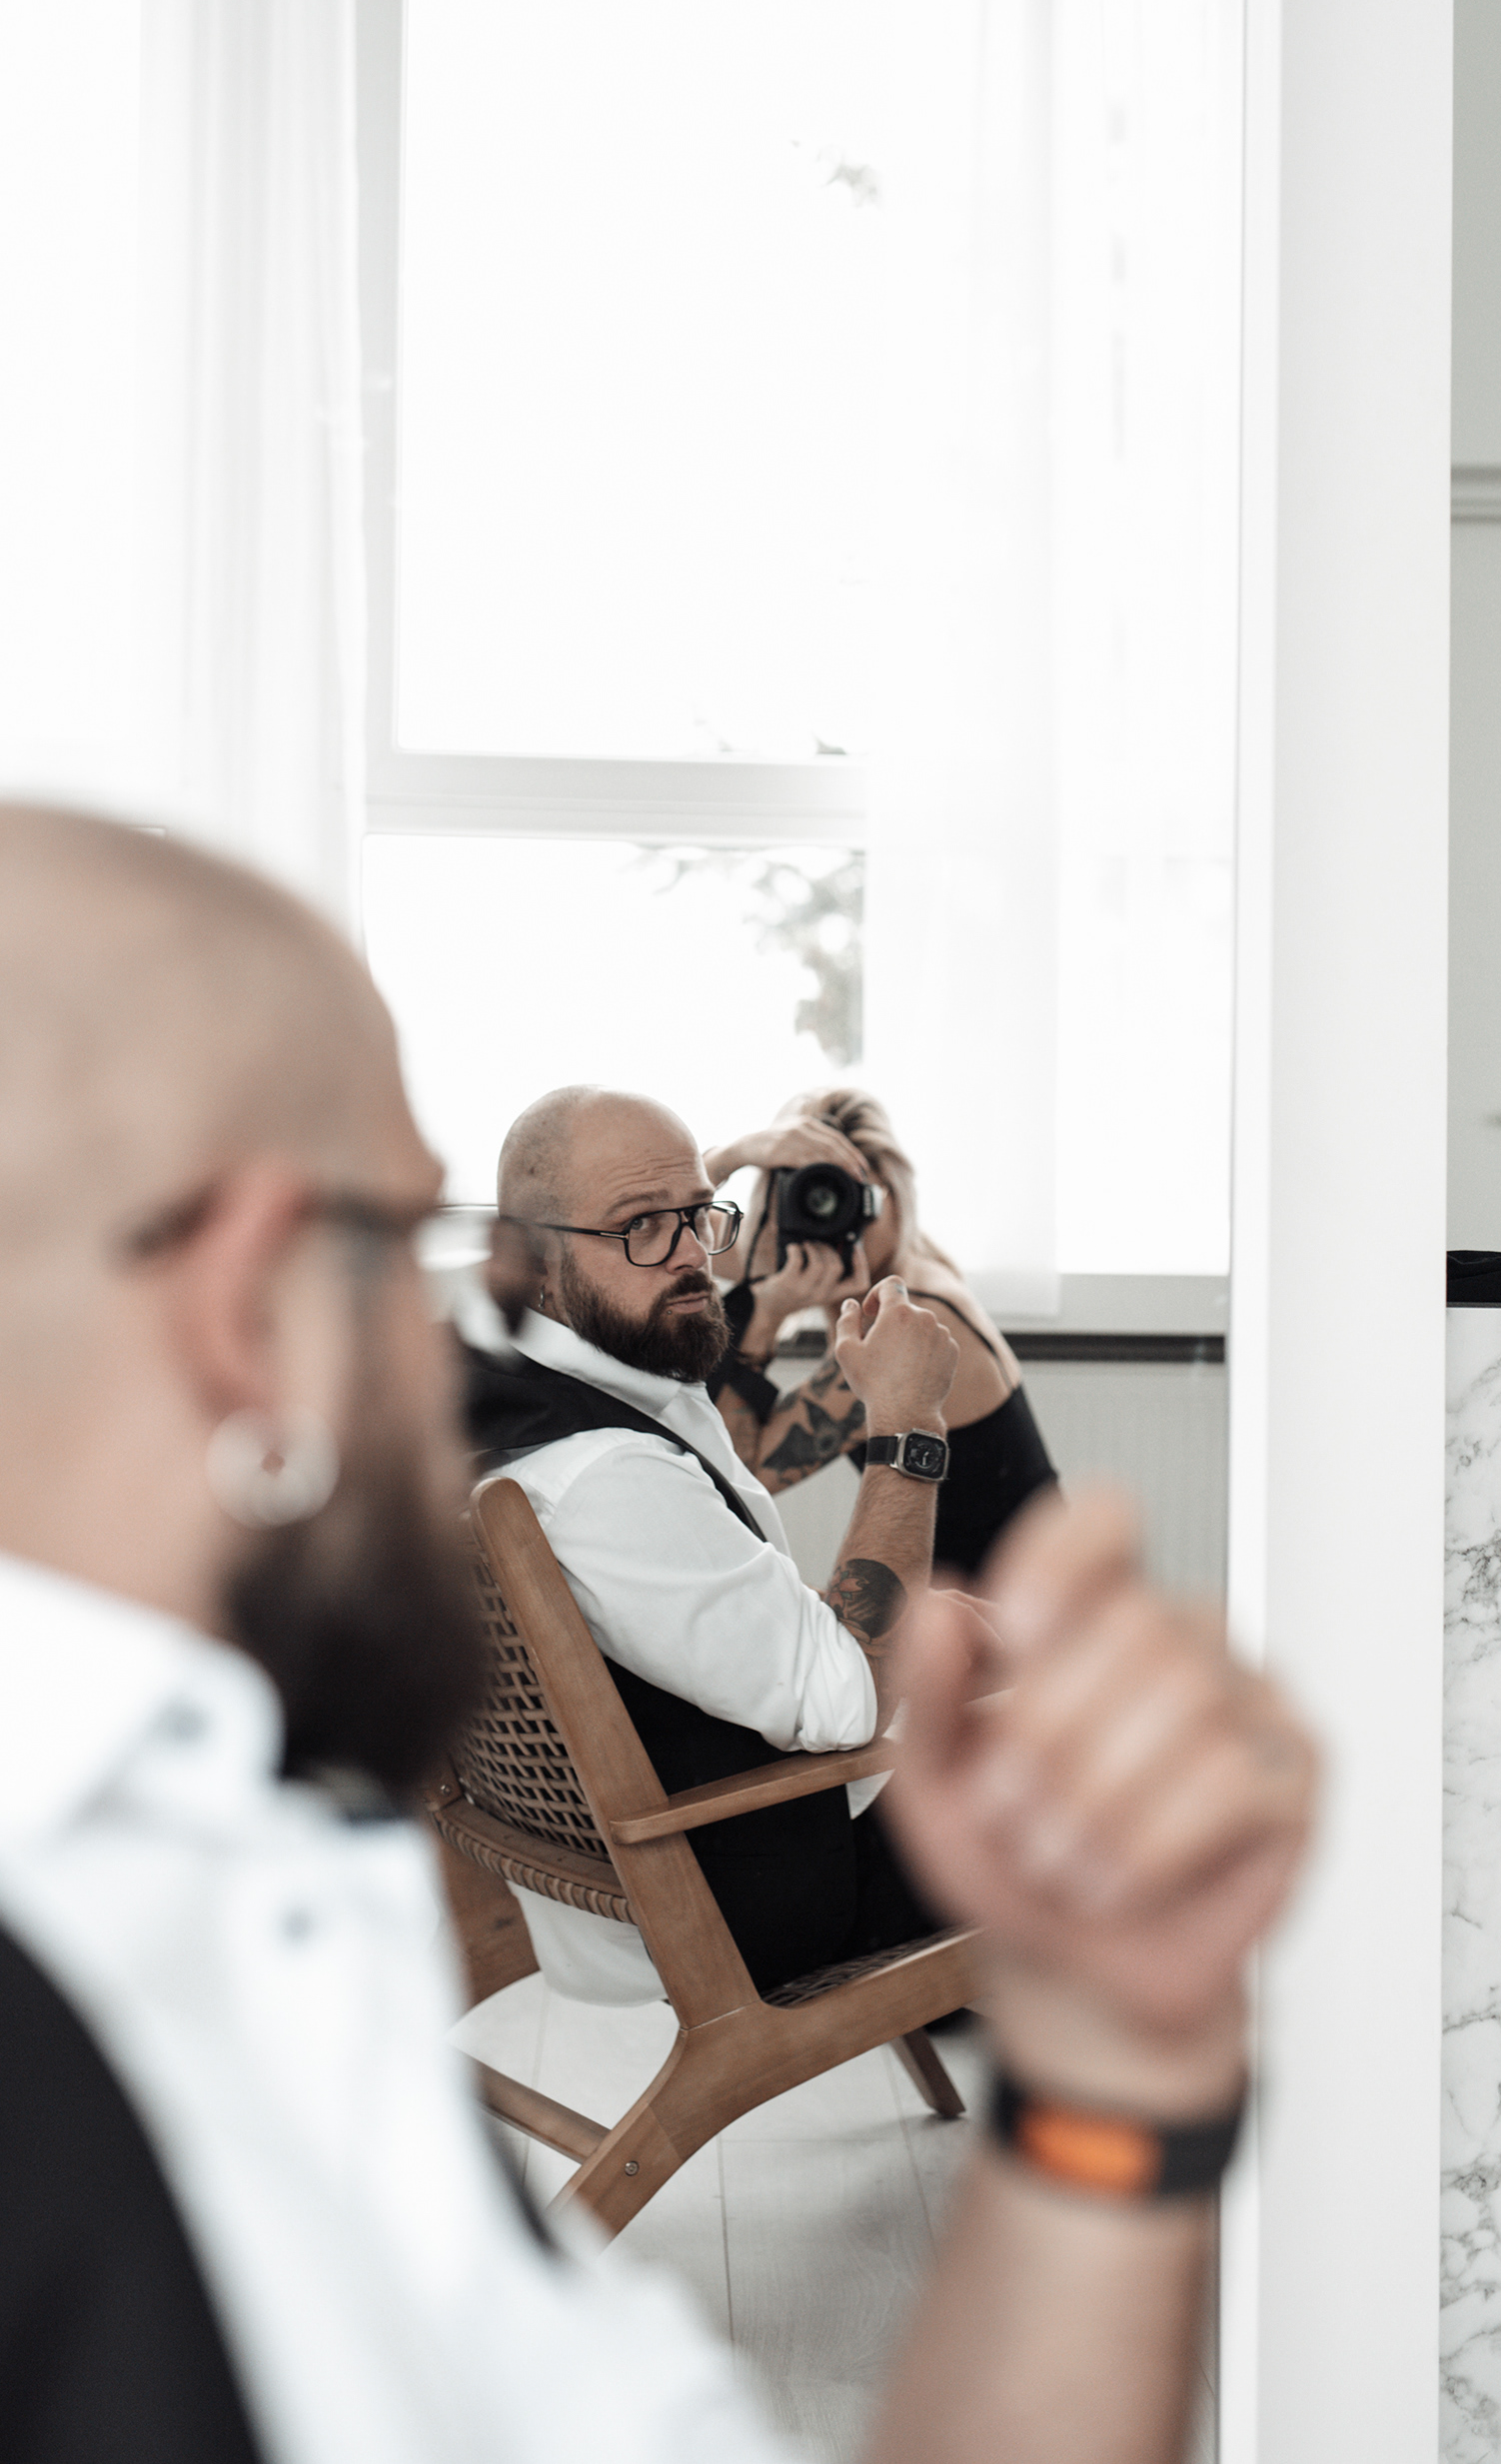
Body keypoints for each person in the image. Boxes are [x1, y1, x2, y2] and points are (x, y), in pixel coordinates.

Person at [0, 802, 1318, 2464]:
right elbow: (834, 1690)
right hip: (759, 1872)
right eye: (401, 1237)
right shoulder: (148, 1995)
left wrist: (1114, 2086)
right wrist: (908, 1438)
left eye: (700, 1213)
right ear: (243, 1297)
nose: (441, 1331)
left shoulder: (248, 1901)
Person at [468, 1084, 961, 2002]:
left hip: (625, 1887)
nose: (693, 1253)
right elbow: (847, 1701)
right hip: (749, 1906)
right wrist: (908, 1419)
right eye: (641, 1226)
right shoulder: (607, 1473)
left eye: (700, 1213)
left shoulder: (509, 1390)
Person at [706, 1088, 1058, 1578]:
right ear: (782, 1204)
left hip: (1012, 1604)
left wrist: (767, 1314)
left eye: (856, 1198)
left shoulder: (911, 1316)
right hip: (983, 1590)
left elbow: (736, 1474)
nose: (836, 1221)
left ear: (895, 1196)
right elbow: (674, 1233)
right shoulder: (903, 1257)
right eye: (814, 1196)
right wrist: (735, 1154)